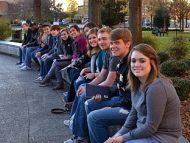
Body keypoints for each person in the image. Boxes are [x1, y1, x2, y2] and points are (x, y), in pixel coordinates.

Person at [105, 43, 182, 143]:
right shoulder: (137, 82)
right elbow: (133, 113)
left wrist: (123, 138)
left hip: (162, 136)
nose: (136, 65)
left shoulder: (156, 88)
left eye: (142, 61)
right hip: (145, 132)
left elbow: (151, 127)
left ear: (152, 62)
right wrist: (118, 135)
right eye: (133, 61)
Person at [63, 27, 120, 143]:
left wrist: (91, 89)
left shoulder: (114, 55)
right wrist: (87, 87)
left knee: (85, 95)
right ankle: (77, 126)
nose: (101, 42)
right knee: (82, 89)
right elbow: (101, 76)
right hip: (109, 88)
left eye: (105, 39)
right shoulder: (108, 54)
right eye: (100, 39)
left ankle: (81, 137)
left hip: (114, 91)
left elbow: (109, 82)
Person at [86, 28, 133, 143]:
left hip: (130, 109)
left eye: (117, 43)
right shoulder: (120, 63)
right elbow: (119, 88)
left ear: (128, 44)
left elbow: (132, 100)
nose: (112, 46)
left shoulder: (132, 64)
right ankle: (89, 137)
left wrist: (112, 106)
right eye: (111, 43)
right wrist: (103, 95)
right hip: (122, 100)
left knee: (94, 118)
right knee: (90, 103)